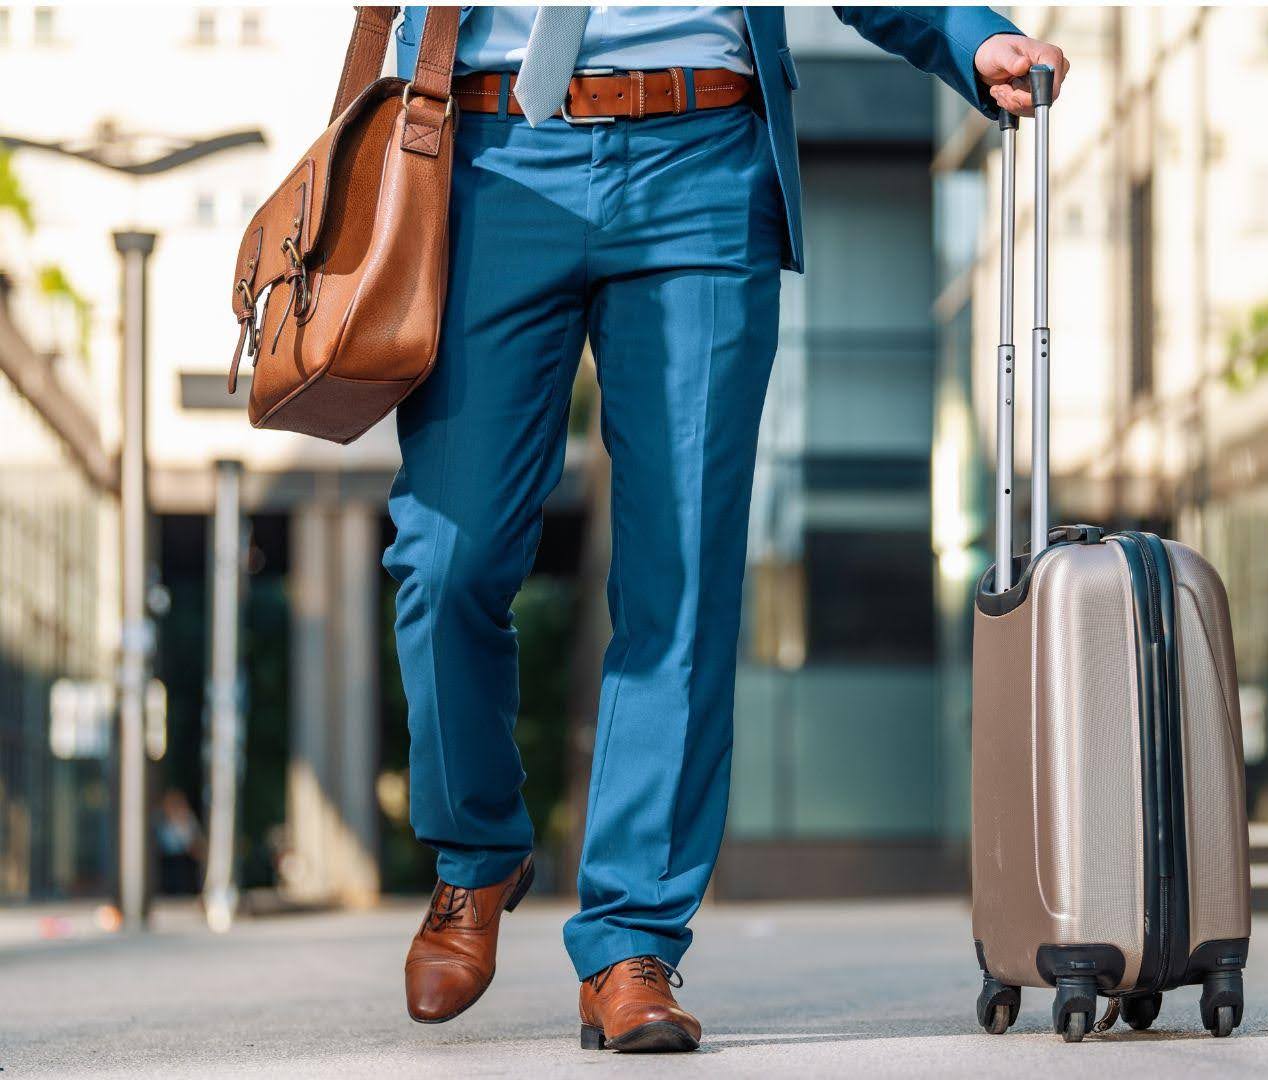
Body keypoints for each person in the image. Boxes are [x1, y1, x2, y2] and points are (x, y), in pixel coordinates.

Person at [385, 4, 1066, 1052]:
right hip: (487, 153)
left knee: (686, 574)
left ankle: (631, 939)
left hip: (698, 157)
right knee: (446, 554)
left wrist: (962, 34)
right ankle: (476, 850)